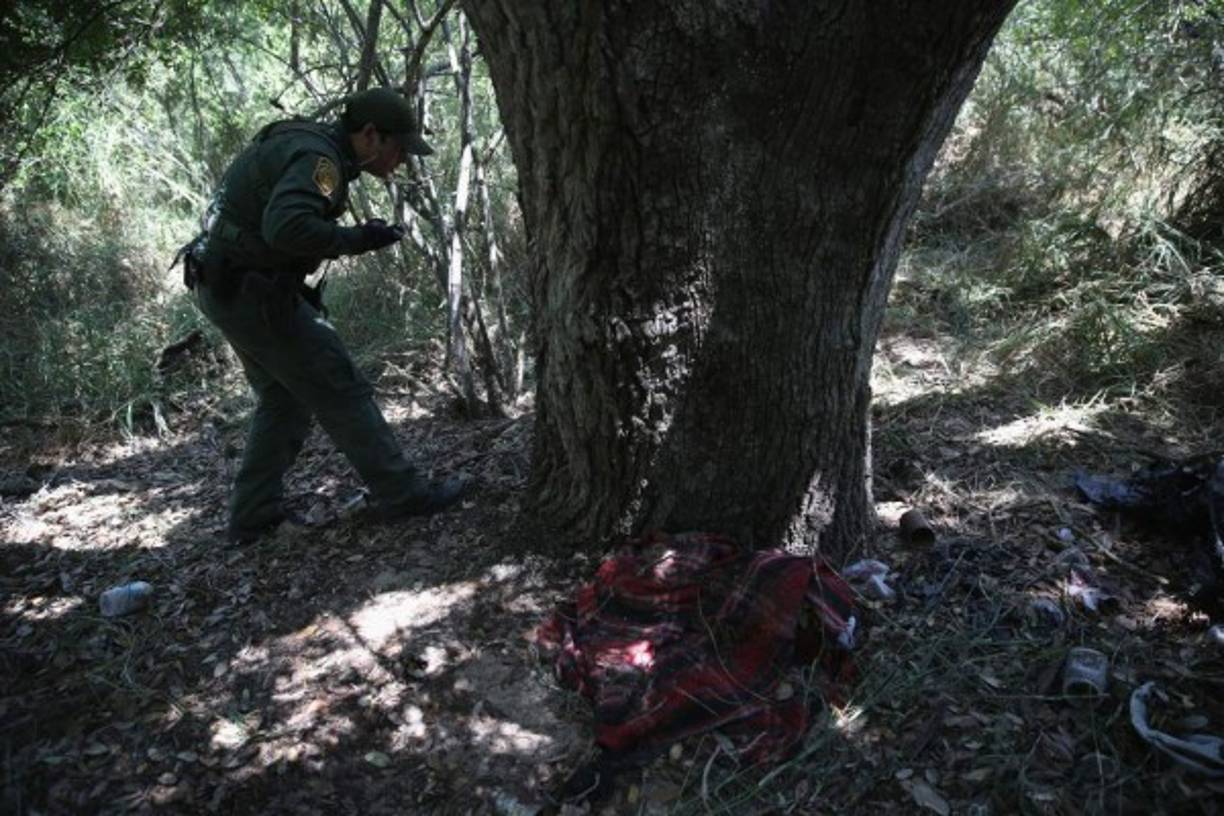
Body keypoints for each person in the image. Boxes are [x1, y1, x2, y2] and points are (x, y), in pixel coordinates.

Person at [182, 86, 468, 543]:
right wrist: (357, 239)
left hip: (226, 283)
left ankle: (253, 518)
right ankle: (403, 493)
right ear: (370, 135)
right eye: (398, 149)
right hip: (247, 289)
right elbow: (286, 227)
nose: (401, 161)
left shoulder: (313, 144)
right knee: (339, 383)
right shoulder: (323, 161)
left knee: (284, 398)